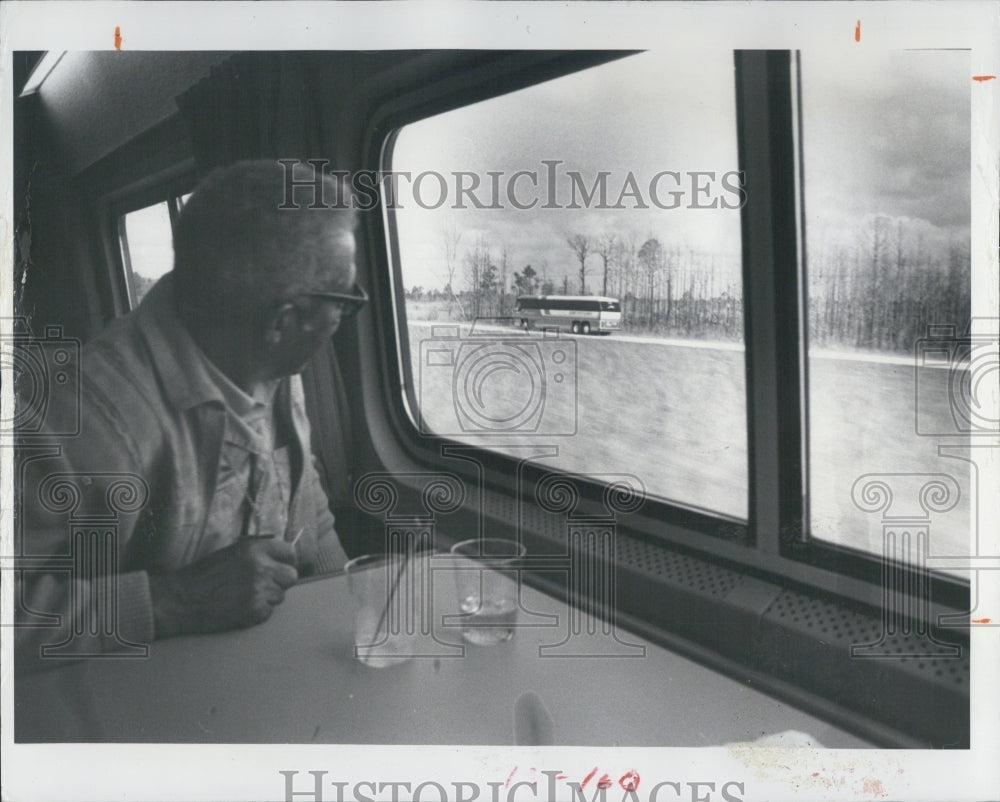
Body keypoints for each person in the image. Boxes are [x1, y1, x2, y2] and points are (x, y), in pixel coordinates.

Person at [15, 160, 362, 665]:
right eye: (344, 299)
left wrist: (349, 610)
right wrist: (173, 601)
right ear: (283, 320)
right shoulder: (79, 419)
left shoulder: (270, 362)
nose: (344, 315)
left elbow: (308, 511)